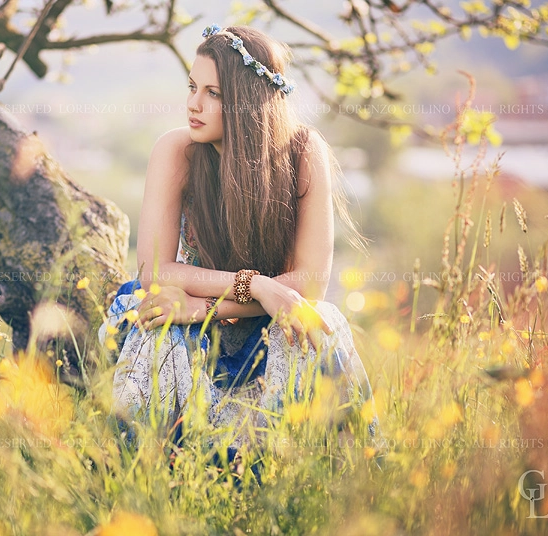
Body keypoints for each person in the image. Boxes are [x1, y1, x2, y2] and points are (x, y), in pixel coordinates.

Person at [99, 24, 376, 450]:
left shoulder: (303, 152)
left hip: (260, 323)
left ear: (247, 102)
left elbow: (310, 284)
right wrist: (257, 285)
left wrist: (202, 307)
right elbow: (155, 271)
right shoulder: (177, 151)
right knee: (158, 330)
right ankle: (141, 480)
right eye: (192, 87)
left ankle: (326, 479)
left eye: (213, 93)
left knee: (321, 321)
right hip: (188, 314)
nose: (194, 104)